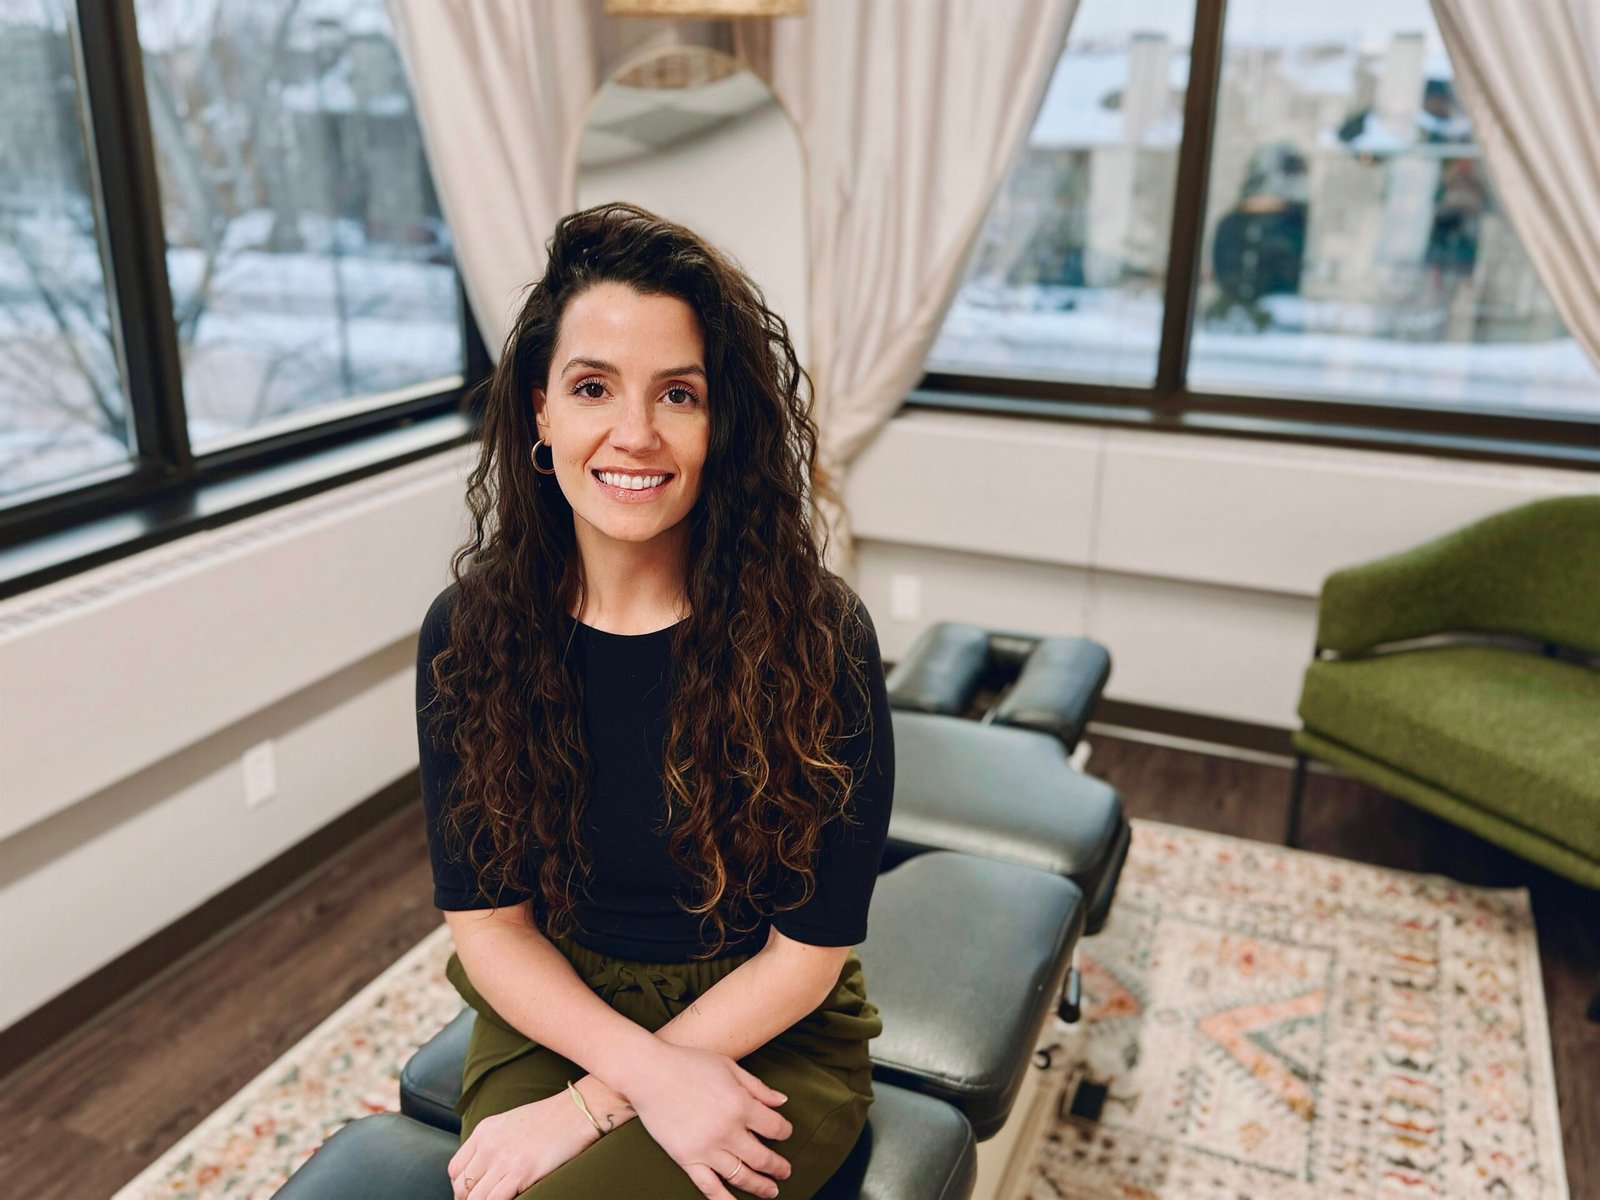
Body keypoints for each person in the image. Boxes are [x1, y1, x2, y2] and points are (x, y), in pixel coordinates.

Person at [415, 201, 894, 1200]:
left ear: (722, 425)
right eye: (593, 387)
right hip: (560, 1010)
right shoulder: (470, 633)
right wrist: (634, 1074)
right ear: (542, 413)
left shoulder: (819, 636)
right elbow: (491, 927)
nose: (634, 434)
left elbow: (806, 957)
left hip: (767, 1023)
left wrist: (587, 1109)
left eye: (678, 394)